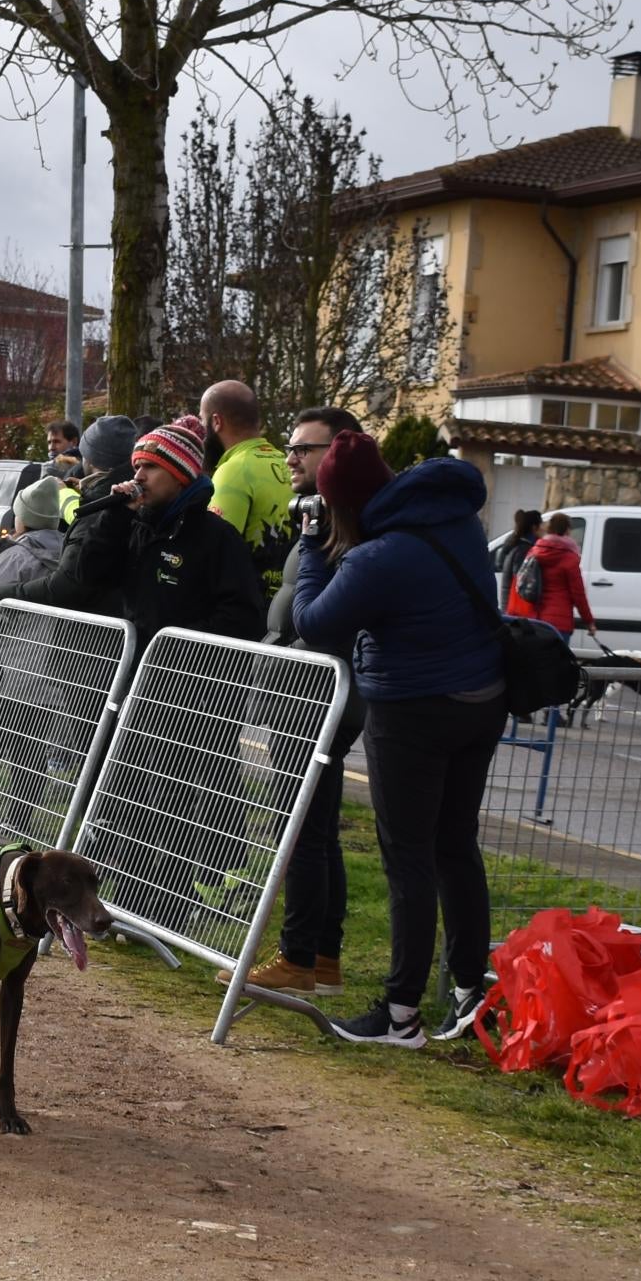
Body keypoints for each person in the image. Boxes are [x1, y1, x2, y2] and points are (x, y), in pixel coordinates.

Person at [290, 434, 508, 1047]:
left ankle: (401, 1013)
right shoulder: (457, 520)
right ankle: (470, 992)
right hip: (482, 701)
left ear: (339, 503)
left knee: (407, 857)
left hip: (412, 712)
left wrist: (312, 550)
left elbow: (313, 621)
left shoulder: (376, 557)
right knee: (456, 846)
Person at [248, 406, 367, 997]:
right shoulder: (321, 518)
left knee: (302, 830)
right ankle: (321, 956)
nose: (290, 457)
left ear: (340, 452)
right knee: (315, 828)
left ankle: (299, 957)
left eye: (304, 448)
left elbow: (323, 617)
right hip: (305, 685)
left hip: (320, 690)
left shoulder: (347, 524)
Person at [117, 417, 263, 648]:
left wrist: (171, 647)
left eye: (151, 466)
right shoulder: (134, 525)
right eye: (137, 466)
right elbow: (87, 576)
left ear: (180, 476)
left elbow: (241, 616)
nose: (138, 477)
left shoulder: (219, 536)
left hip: (186, 676)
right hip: (133, 671)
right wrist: (113, 518)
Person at [31, 414, 140, 620]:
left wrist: (3, 593)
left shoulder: (102, 509)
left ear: (90, 456)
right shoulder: (133, 498)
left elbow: (66, 586)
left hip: (90, 634)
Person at [199, 380, 296, 589]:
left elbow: (214, 549)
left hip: (251, 605)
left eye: (202, 420)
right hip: (291, 600)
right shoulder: (288, 463)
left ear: (216, 421)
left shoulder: (233, 470)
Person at [0, 472, 70, 601]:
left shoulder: (15, 556)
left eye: (17, 514)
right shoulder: (69, 551)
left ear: (25, 519)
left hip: (11, 621)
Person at [503, 511, 595, 638]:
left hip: (534, 619)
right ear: (567, 530)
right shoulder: (570, 558)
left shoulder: (534, 552)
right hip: (559, 623)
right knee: (558, 657)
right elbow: (578, 594)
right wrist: (589, 621)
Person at [494, 508, 543, 612]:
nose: (544, 529)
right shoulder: (524, 550)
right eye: (542, 525)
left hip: (512, 607)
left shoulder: (517, 546)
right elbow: (522, 583)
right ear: (535, 528)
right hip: (519, 611)